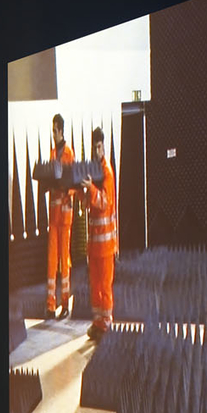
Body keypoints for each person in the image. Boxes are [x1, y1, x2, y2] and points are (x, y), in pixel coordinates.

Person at [83, 126, 118, 341]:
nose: (96, 151)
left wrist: (91, 189)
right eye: (94, 148)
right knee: (95, 286)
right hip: (95, 244)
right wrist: (83, 192)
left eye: (99, 147)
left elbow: (105, 202)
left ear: (103, 147)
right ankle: (97, 322)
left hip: (105, 245)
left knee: (105, 286)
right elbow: (90, 205)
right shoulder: (94, 172)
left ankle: (106, 324)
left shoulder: (107, 172)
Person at [44, 114, 76, 319]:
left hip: (65, 216)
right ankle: (50, 305)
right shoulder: (52, 153)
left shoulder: (69, 153)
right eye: (52, 130)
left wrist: (66, 189)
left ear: (61, 131)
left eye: (55, 130)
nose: (53, 134)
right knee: (51, 261)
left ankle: (65, 304)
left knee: (64, 261)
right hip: (54, 216)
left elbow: (74, 182)